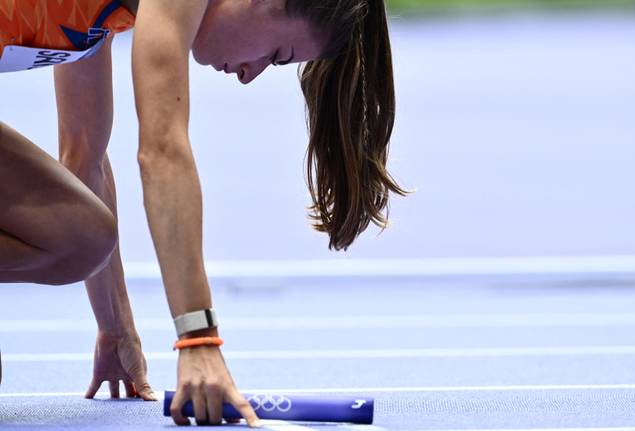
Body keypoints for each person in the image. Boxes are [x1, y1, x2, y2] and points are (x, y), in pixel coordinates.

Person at [0, 0, 407, 426]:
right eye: (277, 55)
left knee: (80, 236)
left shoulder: (100, 15)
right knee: (85, 235)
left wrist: (117, 329)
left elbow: (83, 158)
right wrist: (199, 342)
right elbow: (162, 152)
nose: (251, 74)